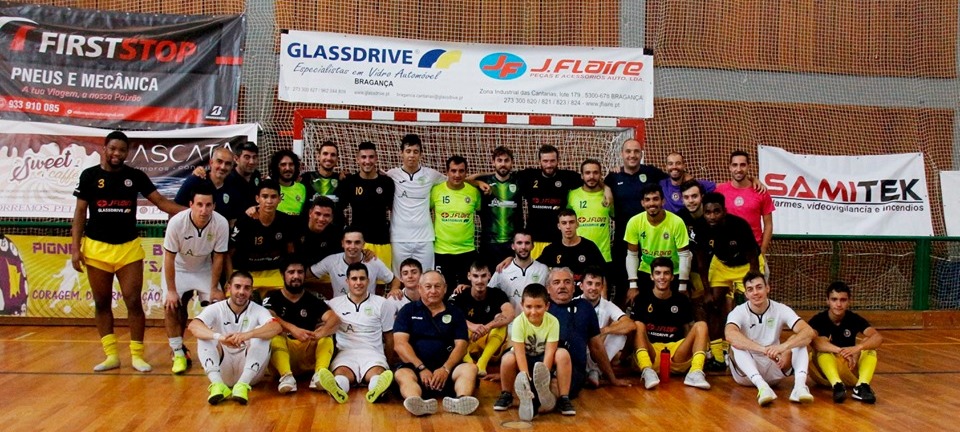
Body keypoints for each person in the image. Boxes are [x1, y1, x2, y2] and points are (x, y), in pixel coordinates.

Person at [71, 130, 185, 372]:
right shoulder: (89, 176)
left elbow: (162, 203)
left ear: (127, 153)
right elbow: (80, 213)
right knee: (101, 302)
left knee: (133, 301)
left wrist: (193, 212)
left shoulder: (135, 176)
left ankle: (137, 355)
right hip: (96, 248)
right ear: (104, 148)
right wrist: (75, 248)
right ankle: (111, 355)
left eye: (122, 150)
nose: (117, 153)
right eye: (113, 148)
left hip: (128, 249)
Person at [162, 183, 229, 374]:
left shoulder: (220, 223)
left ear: (214, 206)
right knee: (171, 305)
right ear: (191, 204)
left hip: (204, 268)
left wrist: (215, 287)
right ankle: (178, 353)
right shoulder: (177, 222)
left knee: (216, 305)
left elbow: (218, 257)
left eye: (208, 205)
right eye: (199, 204)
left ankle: (217, 353)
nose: (204, 210)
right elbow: (169, 257)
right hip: (179, 268)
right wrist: (172, 290)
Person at [393, 270, 479, 416]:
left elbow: (462, 345)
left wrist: (445, 369)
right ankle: (417, 401)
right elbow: (400, 344)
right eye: (428, 286)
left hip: (448, 371)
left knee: (470, 369)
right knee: (402, 374)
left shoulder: (456, 313)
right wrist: (421, 368)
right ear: (420, 288)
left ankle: (461, 400)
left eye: (437, 286)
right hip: (416, 370)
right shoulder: (407, 311)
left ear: (445, 288)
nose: (433, 291)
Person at [188, 270, 281, 405]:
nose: (242, 292)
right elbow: (194, 326)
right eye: (237, 286)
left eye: (247, 288)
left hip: (251, 374)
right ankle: (218, 385)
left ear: (251, 291)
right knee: (205, 335)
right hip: (223, 369)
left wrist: (248, 335)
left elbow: (276, 327)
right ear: (228, 288)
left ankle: (242, 385)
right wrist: (220, 337)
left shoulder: (258, 310)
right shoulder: (216, 308)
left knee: (261, 334)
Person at [725, 271, 816, 406]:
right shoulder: (738, 312)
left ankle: (800, 387)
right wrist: (764, 349)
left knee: (800, 341)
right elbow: (730, 334)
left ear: (768, 288)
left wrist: (782, 347)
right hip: (747, 374)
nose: (755, 292)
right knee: (736, 345)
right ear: (746, 294)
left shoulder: (780, 309)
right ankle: (762, 387)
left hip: (774, 365)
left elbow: (808, 332)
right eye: (750, 289)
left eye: (759, 287)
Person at [321, 262, 397, 404]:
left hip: (373, 353)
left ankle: (376, 391)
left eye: (362, 279)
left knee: (377, 373)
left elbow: (389, 337)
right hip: (346, 352)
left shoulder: (382, 303)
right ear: (347, 281)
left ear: (368, 281)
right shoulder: (334, 304)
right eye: (354, 279)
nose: (358, 283)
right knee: (341, 373)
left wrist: (388, 361)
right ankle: (337, 389)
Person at [693, 193, 762, 351]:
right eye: (707, 212)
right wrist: (707, 291)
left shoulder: (739, 225)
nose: (712, 216)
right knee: (712, 303)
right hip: (721, 264)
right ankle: (719, 351)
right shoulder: (700, 227)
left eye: (716, 211)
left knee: (754, 303)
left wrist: (753, 283)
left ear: (724, 211)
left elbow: (753, 257)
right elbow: (701, 261)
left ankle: (754, 347)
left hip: (746, 265)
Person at [548, 268, 629, 402]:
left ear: (574, 287)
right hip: (542, 364)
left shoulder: (585, 308)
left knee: (555, 390)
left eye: (567, 282)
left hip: (572, 370)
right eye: (556, 282)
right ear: (548, 288)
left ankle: (539, 400)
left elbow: (597, 347)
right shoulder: (541, 308)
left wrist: (612, 379)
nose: (562, 286)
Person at [630, 257, 712, 390]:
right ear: (651, 276)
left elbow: (687, 330)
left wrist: (699, 349)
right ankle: (647, 372)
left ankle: (695, 372)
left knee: (701, 325)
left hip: (676, 354)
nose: (662, 277)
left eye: (666, 273)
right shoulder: (641, 299)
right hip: (651, 353)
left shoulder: (682, 300)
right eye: (658, 273)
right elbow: (634, 334)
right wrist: (624, 357)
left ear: (672, 277)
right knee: (638, 325)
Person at [262, 258, 339, 394]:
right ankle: (287, 377)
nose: (296, 276)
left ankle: (320, 374)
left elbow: (334, 319)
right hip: (284, 352)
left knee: (327, 336)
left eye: (300, 272)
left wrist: (319, 333)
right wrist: (293, 329)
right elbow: (268, 317)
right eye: (291, 272)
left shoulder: (313, 299)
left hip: (307, 352)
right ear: (282, 274)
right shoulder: (272, 297)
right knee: (274, 336)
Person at [605, 138, 667, 306]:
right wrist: (607, 190)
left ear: (641, 154)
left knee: (648, 283)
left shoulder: (652, 173)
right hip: (622, 240)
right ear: (621, 154)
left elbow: (677, 179)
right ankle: (620, 324)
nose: (632, 155)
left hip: (650, 240)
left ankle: (647, 321)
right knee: (622, 286)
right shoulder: (613, 176)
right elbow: (601, 188)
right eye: (628, 151)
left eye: (636, 152)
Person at [495, 283, 569, 420]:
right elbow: (519, 353)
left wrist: (542, 379)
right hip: (524, 359)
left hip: (542, 360)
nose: (533, 312)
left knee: (562, 354)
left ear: (547, 306)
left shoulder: (553, 322)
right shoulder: (519, 322)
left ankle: (564, 398)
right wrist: (526, 380)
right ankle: (506, 394)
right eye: (529, 307)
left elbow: (550, 352)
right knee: (507, 359)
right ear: (522, 305)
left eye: (538, 307)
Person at [809, 281, 882, 404]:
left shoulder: (853, 318)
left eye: (843, 300)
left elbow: (878, 337)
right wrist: (842, 351)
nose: (838, 304)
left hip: (848, 368)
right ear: (827, 301)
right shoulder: (818, 320)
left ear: (849, 301)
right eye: (834, 299)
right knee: (822, 346)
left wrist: (858, 348)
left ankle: (861, 386)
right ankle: (837, 385)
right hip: (823, 373)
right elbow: (813, 342)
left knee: (869, 346)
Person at [387, 134, 446, 273]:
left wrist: (478, 181)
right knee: (400, 279)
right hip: (399, 238)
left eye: (415, 151)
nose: (411, 155)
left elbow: (456, 180)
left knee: (426, 278)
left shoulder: (431, 175)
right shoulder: (391, 175)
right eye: (408, 151)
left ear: (421, 154)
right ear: (401, 153)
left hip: (425, 238)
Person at [624, 184, 692, 304]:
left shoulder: (677, 222)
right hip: (646, 272)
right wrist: (633, 285)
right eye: (647, 200)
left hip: (672, 273)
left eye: (655, 199)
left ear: (663, 201)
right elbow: (632, 255)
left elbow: (685, 255)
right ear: (642, 203)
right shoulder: (634, 222)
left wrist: (682, 286)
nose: (652, 203)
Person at [228, 179, 297, 293]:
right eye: (265, 196)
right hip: (244, 272)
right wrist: (229, 278)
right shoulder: (245, 220)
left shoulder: (286, 221)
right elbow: (229, 253)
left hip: (273, 272)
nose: (269, 201)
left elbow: (290, 252)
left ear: (279, 199)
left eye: (273, 197)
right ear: (257, 199)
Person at [517, 144, 583, 257]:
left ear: (558, 161)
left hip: (558, 240)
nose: (549, 165)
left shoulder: (568, 177)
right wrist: (479, 182)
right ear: (540, 162)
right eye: (545, 161)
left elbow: (591, 180)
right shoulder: (528, 176)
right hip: (534, 240)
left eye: (552, 161)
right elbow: (503, 176)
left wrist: (606, 189)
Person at [451, 261, 514, 377]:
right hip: (469, 342)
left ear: (489, 275)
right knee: (456, 325)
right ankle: (468, 361)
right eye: (475, 276)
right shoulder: (461, 296)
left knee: (501, 322)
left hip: (490, 343)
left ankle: (482, 363)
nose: (480, 281)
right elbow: (451, 316)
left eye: (483, 276)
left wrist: (487, 327)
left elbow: (509, 313)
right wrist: (472, 326)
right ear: (469, 276)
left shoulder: (497, 294)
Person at [338, 141, 395, 269]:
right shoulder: (350, 182)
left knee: (380, 285)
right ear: (357, 159)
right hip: (358, 243)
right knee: (357, 281)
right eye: (363, 157)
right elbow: (339, 209)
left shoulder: (387, 183)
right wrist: (347, 230)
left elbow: (393, 209)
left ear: (376, 158)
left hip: (382, 241)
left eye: (371, 157)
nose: (367, 161)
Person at [577, 268, 634, 387]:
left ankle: (595, 372)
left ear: (602, 287)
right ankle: (594, 373)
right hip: (580, 352)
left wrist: (604, 330)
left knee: (618, 333)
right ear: (581, 286)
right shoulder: (574, 303)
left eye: (597, 284)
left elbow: (630, 325)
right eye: (589, 283)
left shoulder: (607, 305)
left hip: (599, 350)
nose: (593, 288)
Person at [431, 155, 481, 292]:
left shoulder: (474, 192)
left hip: (467, 251)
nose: (457, 175)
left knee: (467, 291)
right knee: (444, 291)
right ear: (447, 172)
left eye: (461, 171)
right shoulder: (436, 191)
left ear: (466, 172)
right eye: (453, 171)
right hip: (442, 252)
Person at [308, 227, 399, 298]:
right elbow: (307, 274)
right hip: (340, 311)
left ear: (363, 244)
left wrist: (394, 289)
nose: (352, 246)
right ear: (342, 243)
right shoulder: (331, 261)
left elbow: (395, 279)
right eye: (348, 242)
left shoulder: (373, 262)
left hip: (367, 309)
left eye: (357, 242)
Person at [715, 150, 774, 259]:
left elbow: (768, 224)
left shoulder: (761, 191)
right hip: (726, 251)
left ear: (748, 167)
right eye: (735, 165)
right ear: (730, 167)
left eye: (742, 165)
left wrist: (763, 250)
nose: (738, 169)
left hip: (753, 251)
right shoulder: (720, 191)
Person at [568, 159, 614, 288]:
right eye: (587, 173)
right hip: (577, 253)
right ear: (582, 175)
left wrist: (607, 188)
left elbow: (616, 216)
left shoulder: (608, 196)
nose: (591, 176)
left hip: (603, 254)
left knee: (602, 297)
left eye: (595, 173)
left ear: (600, 175)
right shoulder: (572, 195)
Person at [476, 146, 523, 268]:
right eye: (499, 160)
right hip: (489, 244)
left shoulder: (518, 181)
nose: (503, 164)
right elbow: (464, 180)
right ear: (493, 162)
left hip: (511, 244)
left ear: (512, 162)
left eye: (506, 160)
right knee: (489, 281)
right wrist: (478, 182)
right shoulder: (485, 181)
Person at [177, 146, 245, 224]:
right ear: (211, 163)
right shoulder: (196, 180)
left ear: (232, 167)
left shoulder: (234, 186)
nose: (223, 167)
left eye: (227, 164)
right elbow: (174, 207)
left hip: (220, 234)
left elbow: (232, 220)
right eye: (219, 161)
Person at [537, 209, 606, 286]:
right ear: (559, 226)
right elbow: (536, 268)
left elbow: (602, 274)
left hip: (583, 296)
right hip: (559, 295)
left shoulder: (589, 247)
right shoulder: (551, 249)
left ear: (577, 224)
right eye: (564, 223)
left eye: (571, 222)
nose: (568, 226)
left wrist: (603, 297)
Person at [489, 230, 549, 313]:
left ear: (533, 246)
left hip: (535, 323)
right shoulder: (502, 270)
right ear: (513, 246)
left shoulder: (543, 270)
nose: (523, 247)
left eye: (527, 243)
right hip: (510, 324)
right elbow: (487, 293)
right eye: (519, 243)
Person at [293, 196, 343, 270]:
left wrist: (365, 252)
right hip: (297, 273)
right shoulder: (295, 227)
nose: (321, 219)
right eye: (318, 214)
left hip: (322, 274)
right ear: (310, 213)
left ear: (332, 217)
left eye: (326, 215)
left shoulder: (336, 233)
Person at [301, 140, 342, 205]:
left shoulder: (342, 181)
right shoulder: (306, 178)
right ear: (318, 156)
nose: (329, 158)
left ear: (337, 159)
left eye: (333, 155)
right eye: (325, 154)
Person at [269, 149, 307, 216]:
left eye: (291, 164)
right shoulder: (269, 188)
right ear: (276, 167)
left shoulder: (302, 188)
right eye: (283, 165)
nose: (288, 168)